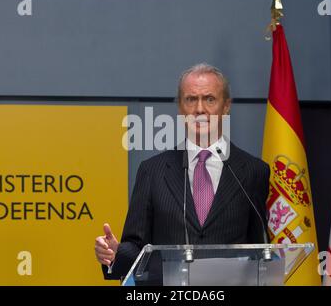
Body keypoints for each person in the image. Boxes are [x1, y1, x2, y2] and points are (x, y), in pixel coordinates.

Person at [95, 63, 270, 281]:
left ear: (226, 106)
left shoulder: (254, 171)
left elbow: (261, 248)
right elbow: (138, 247)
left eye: (209, 99)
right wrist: (114, 253)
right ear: (180, 107)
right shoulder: (152, 171)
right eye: (190, 99)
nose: (199, 109)